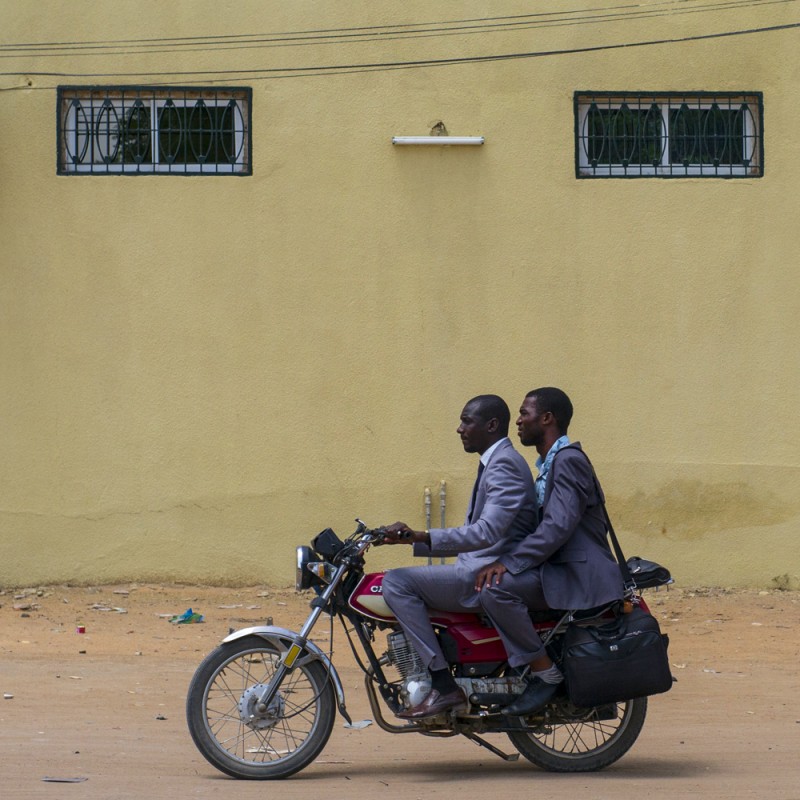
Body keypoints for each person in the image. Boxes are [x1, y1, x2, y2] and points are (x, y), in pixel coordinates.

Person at [380, 394, 537, 720]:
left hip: (483, 575)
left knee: (396, 582)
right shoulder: (495, 462)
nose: (459, 428)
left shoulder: (504, 464)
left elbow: (485, 532)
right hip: (479, 567)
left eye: (467, 421)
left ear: (491, 425)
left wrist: (420, 536)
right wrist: (412, 540)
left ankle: (442, 684)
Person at [474, 387, 624, 716]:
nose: (518, 421)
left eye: (524, 414)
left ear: (546, 418)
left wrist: (508, 563)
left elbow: (557, 527)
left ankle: (545, 674)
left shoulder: (568, 461)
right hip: (558, 567)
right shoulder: (549, 464)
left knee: (494, 591)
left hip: (576, 573)